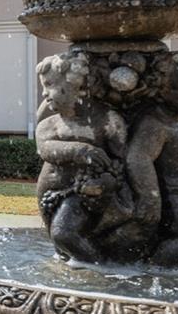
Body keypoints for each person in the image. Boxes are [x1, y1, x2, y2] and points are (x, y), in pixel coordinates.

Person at [35, 52, 131, 263]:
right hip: (50, 195)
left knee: (64, 234)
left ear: (75, 84)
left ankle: (98, 267)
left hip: (82, 191)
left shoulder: (107, 121)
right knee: (59, 241)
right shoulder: (49, 124)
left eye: (49, 85)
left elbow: (121, 161)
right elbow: (45, 148)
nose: (44, 93)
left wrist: (107, 182)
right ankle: (76, 266)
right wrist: (80, 151)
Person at [125, 52, 178, 267]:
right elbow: (138, 158)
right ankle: (152, 272)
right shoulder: (156, 123)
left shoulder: (173, 120)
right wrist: (150, 198)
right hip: (175, 195)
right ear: (162, 91)